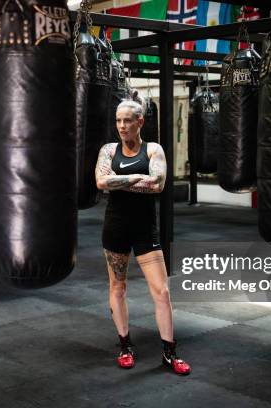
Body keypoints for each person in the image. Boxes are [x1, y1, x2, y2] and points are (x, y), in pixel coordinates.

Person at [94, 97, 191, 376]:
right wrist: (138, 178)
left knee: (162, 292)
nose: (122, 126)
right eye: (118, 120)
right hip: (115, 228)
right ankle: (125, 346)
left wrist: (119, 180)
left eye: (127, 120)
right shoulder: (108, 150)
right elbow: (101, 182)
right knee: (118, 288)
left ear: (140, 122)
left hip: (144, 229)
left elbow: (157, 184)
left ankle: (169, 353)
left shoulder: (153, 150)